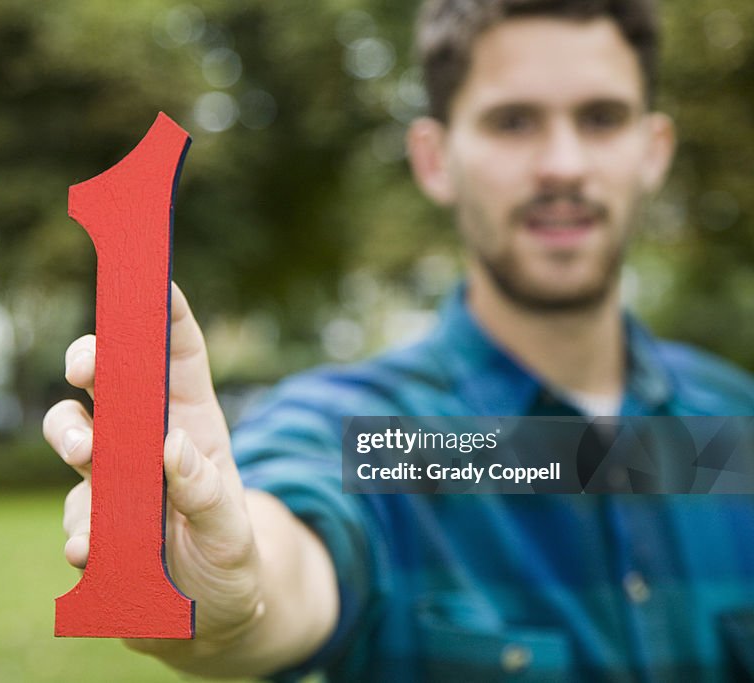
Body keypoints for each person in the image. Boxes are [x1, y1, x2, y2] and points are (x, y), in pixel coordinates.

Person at [43, 0, 754, 679]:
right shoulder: (366, 434)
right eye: (513, 121)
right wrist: (234, 586)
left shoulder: (735, 426)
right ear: (434, 157)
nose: (563, 164)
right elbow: (291, 554)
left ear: (654, 149)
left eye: (601, 118)